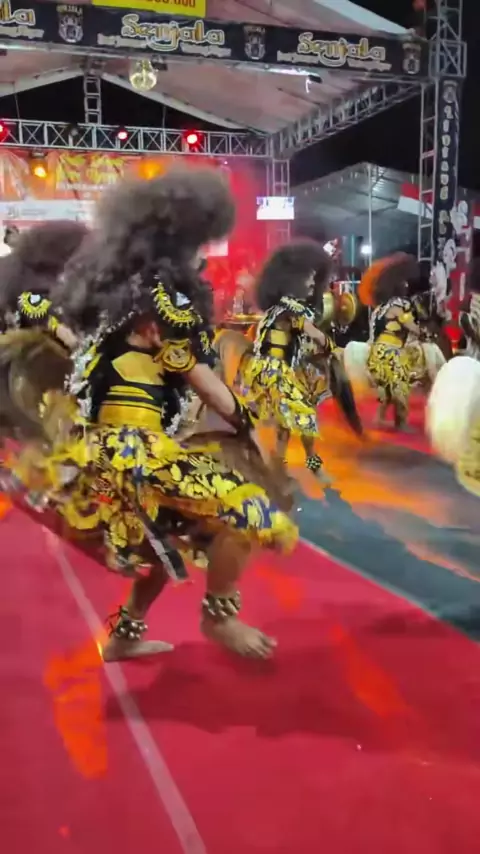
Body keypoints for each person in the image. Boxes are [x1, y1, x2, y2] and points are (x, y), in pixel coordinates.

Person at [10, 167, 297, 662]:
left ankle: (124, 637)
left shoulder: (118, 297)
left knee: (165, 546)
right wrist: (246, 421)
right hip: (134, 449)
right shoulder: (165, 298)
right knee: (249, 509)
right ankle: (219, 617)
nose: (202, 253)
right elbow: (199, 377)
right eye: (199, 242)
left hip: (104, 448)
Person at [238, 240, 334, 476]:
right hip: (276, 373)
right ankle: (312, 467)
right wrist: (330, 347)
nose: (313, 283)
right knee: (305, 418)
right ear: (293, 279)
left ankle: (279, 464)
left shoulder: (278, 307)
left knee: (286, 422)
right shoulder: (292, 310)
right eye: (309, 277)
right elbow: (317, 337)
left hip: (268, 371)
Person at [359, 253, 421, 431]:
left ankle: (379, 418)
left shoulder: (378, 309)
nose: (407, 285)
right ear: (397, 285)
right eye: (404, 282)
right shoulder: (399, 305)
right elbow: (411, 326)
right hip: (392, 352)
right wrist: (421, 330)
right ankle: (401, 423)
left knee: (385, 389)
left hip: (376, 353)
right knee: (400, 388)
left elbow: (373, 334)